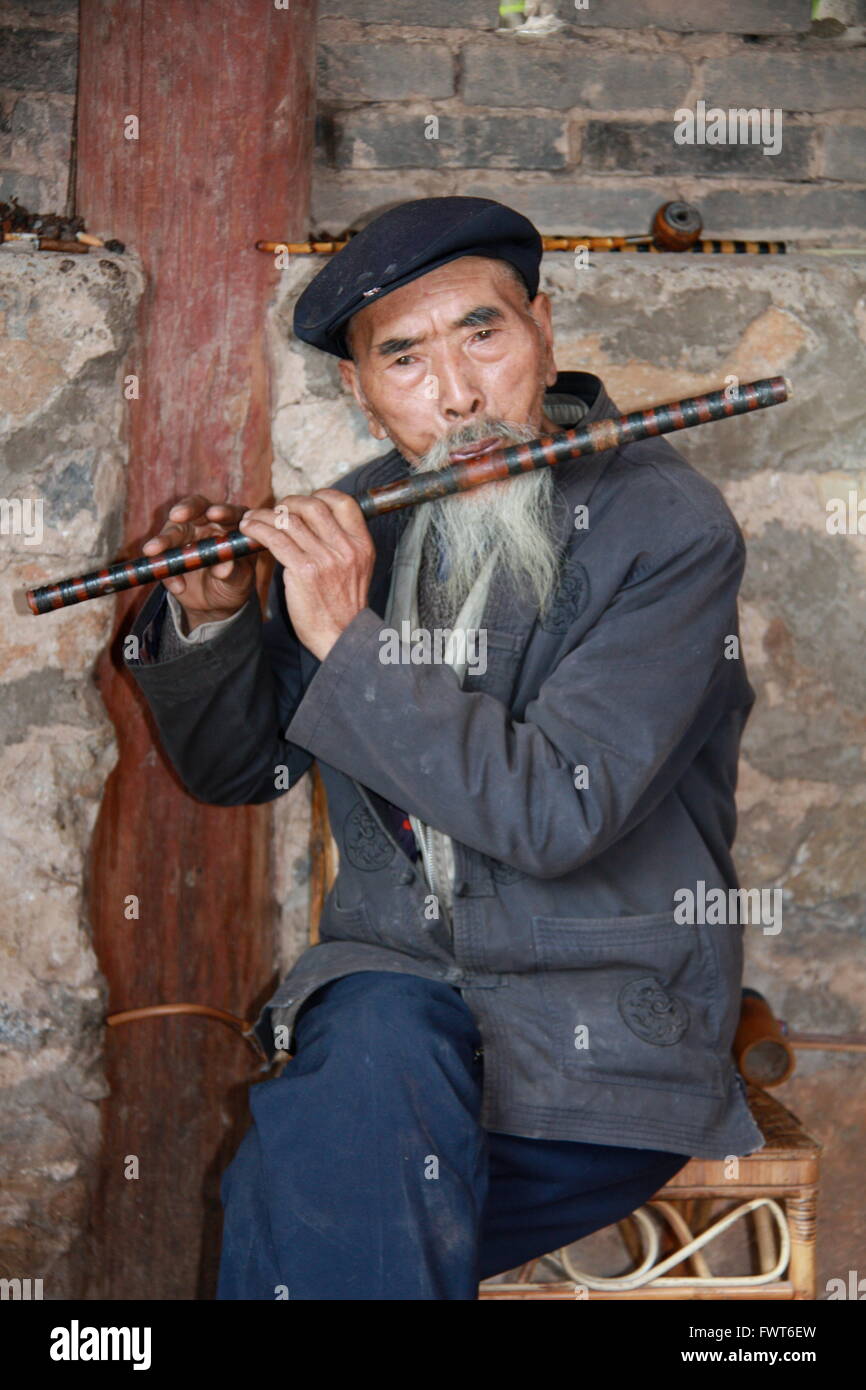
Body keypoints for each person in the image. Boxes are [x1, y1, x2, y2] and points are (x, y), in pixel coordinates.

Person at [125, 196, 764, 1301]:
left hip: (590, 1060)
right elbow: (241, 769)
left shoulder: (665, 528)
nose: (458, 392)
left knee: (302, 1193)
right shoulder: (360, 518)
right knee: (364, 1050)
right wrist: (217, 614)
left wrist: (341, 634)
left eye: (483, 334)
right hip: (393, 1029)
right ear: (357, 388)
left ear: (543, 327)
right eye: (405, 358)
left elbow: (555, 815)